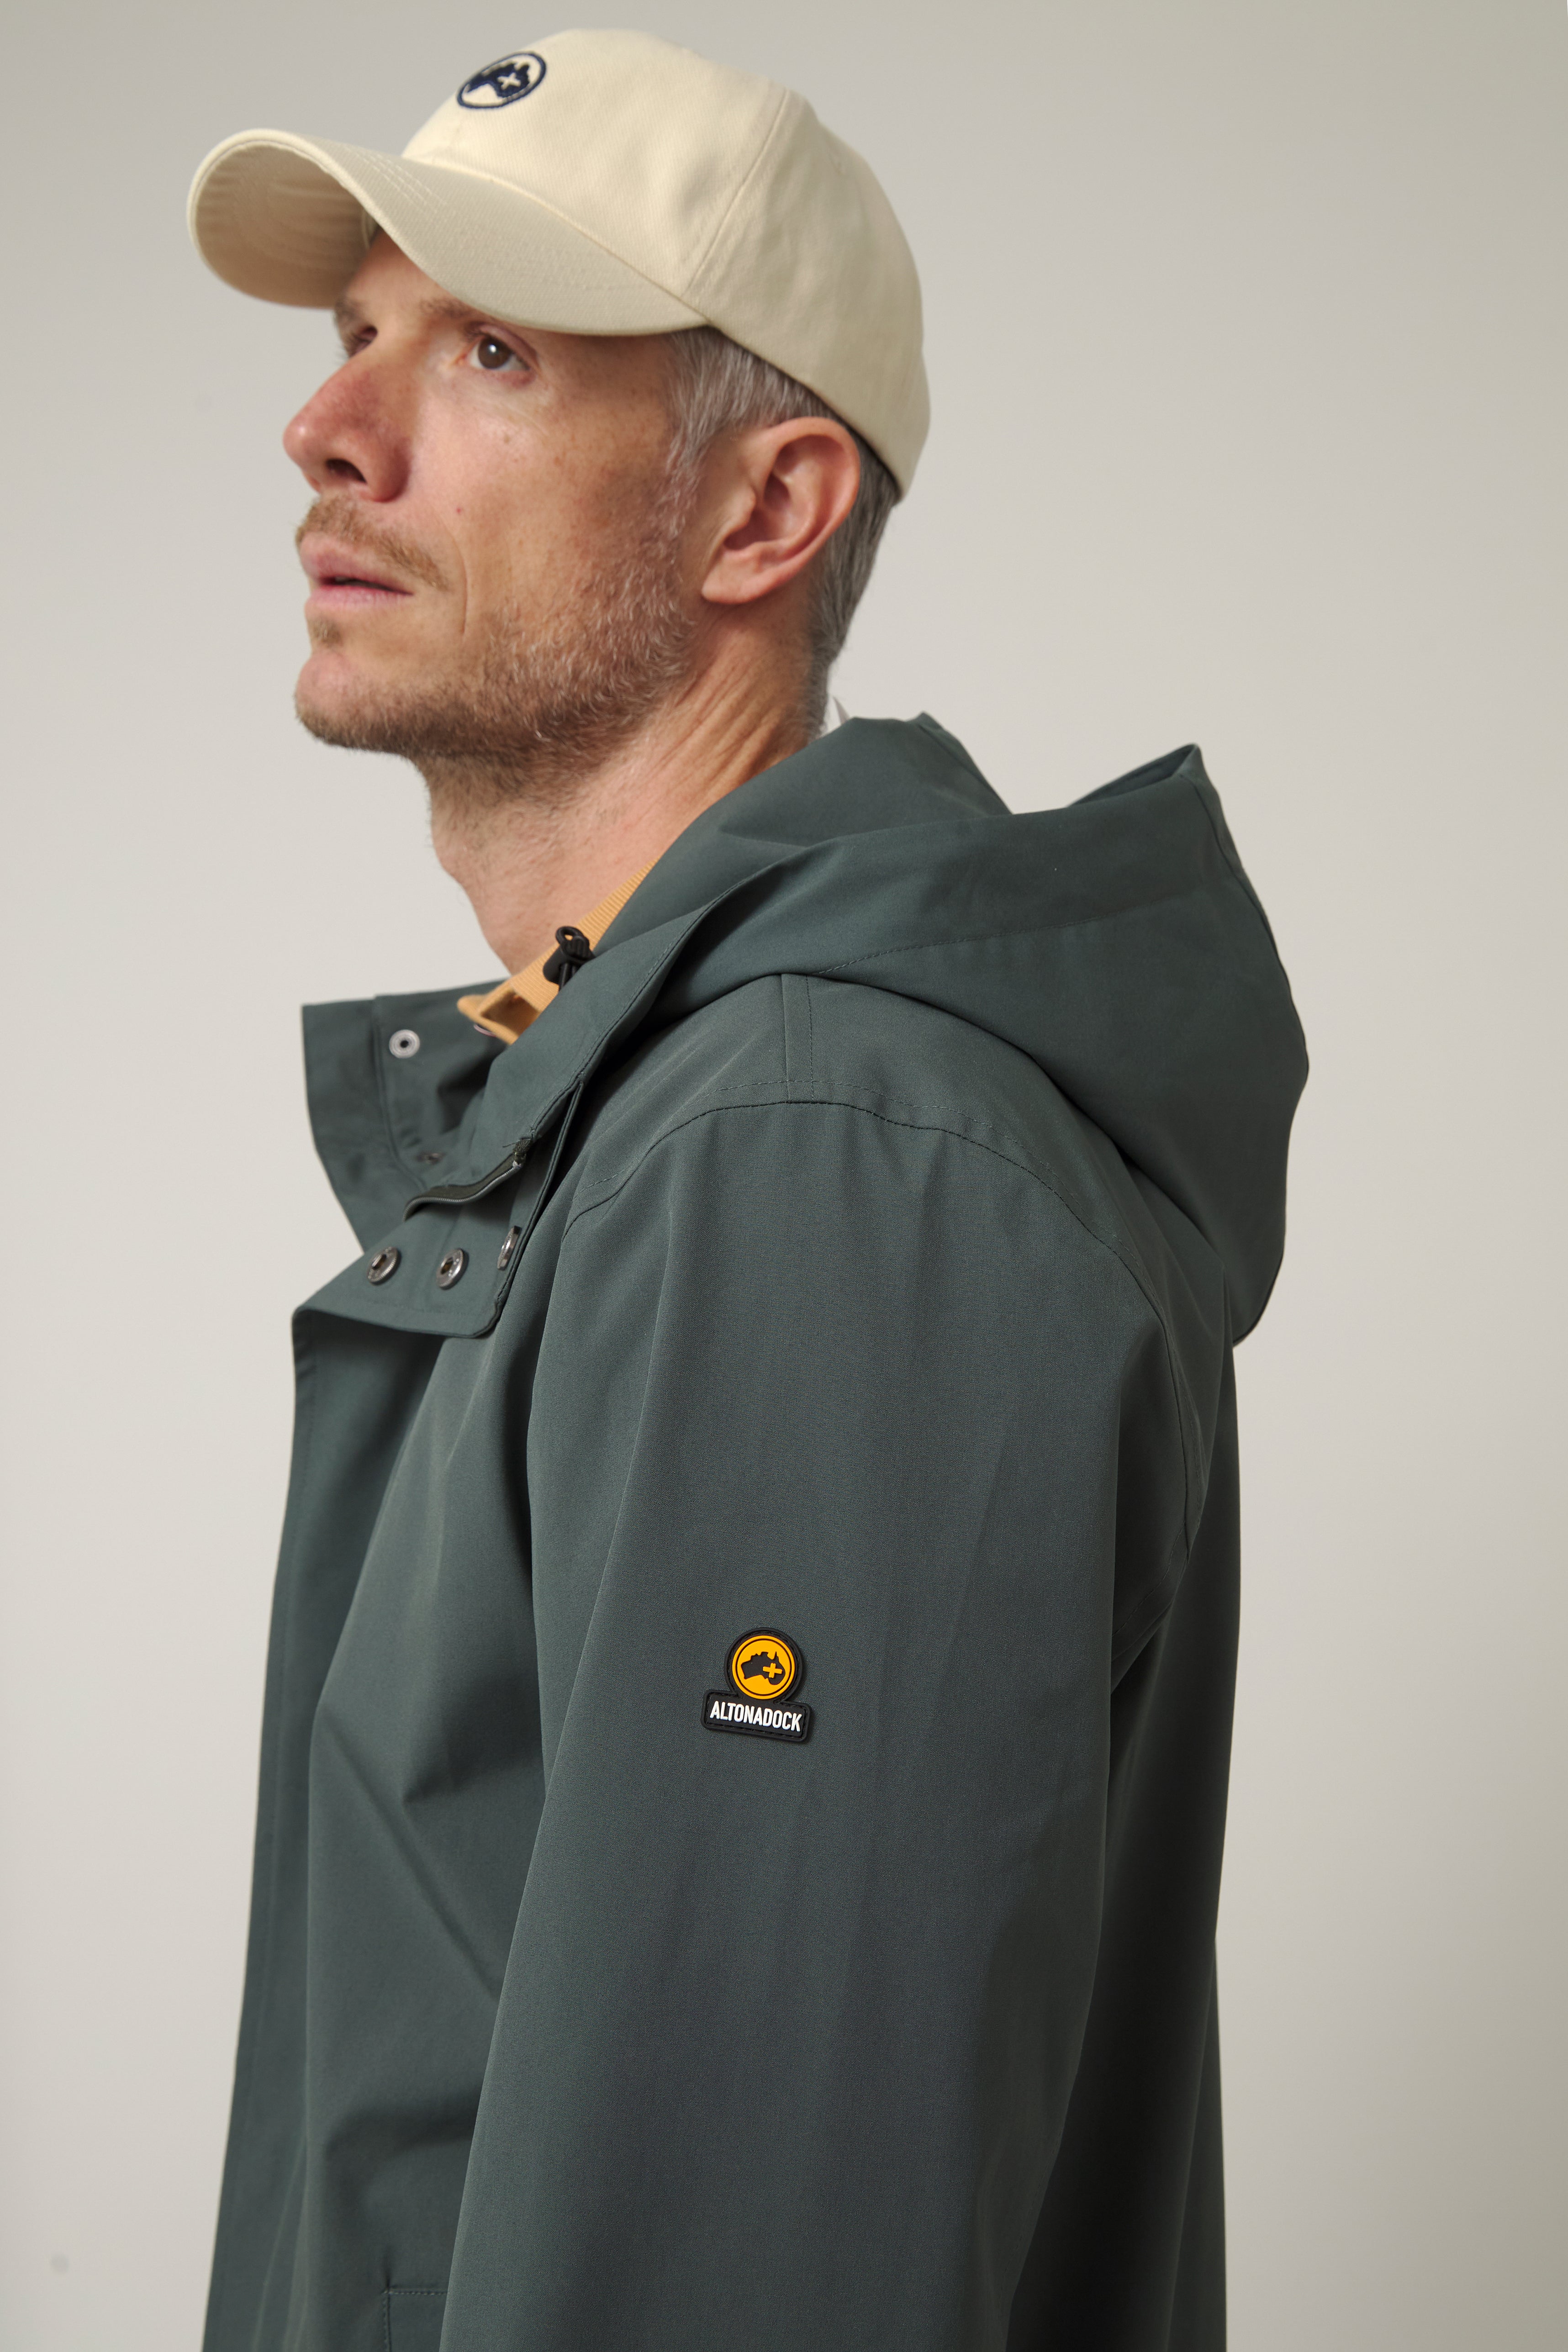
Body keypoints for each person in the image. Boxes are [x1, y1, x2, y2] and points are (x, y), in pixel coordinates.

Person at [186, 29, 1306, 2352]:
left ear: (763, 511)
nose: (330, 426)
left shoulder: (818, 1169)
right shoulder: (655, 1126)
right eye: (357, 331)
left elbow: (746, 2261)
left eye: (489, 352)